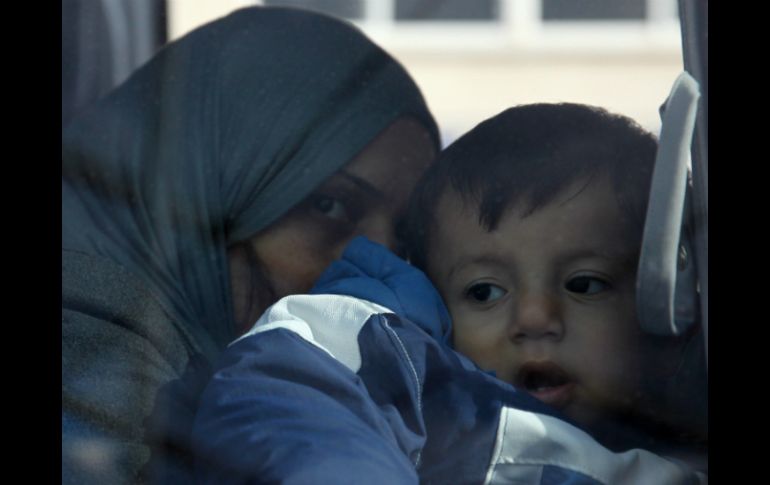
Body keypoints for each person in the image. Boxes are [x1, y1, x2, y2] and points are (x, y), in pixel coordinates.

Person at [192, 104, 706, 483]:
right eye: (484, 292)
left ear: (662, 299)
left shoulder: (684, 431)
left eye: (584, 284)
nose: (533, 317)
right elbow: (298, 412)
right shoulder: (397, 367)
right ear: (435, 297)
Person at [61, 6, 439, 484]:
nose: (380, 262)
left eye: (407, 235)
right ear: (206, 194)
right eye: (329, 206)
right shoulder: (93, 367)